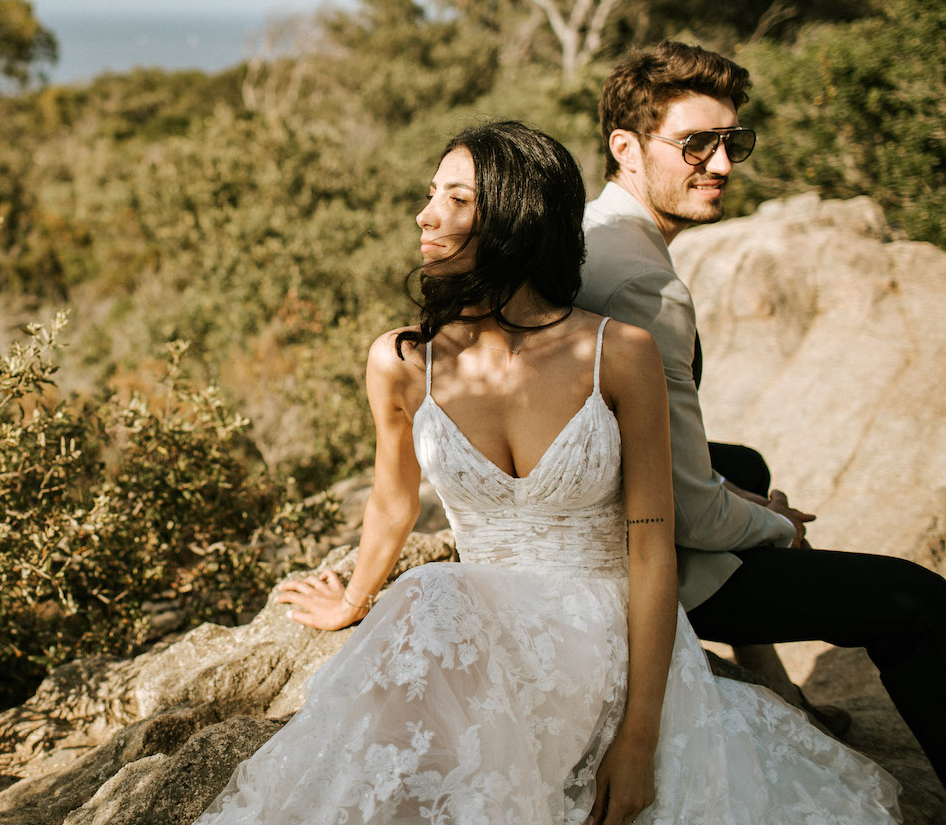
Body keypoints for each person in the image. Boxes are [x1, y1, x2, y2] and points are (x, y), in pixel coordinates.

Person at [195, 120, 900, 825]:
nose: (425, 213)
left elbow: (651, 552)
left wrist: (638, 740)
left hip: (605, 638)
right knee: (425, 616)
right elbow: (391, 501)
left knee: (433, 598)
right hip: (485, 630)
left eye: (456, 199)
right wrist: (352, 601)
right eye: (430, 193)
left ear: (516, 217)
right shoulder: (404, 360)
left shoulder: (619, 352)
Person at [580, 40, 946, 787]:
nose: (719, 165)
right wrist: (779, 523)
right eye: (695, 145)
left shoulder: (593, 234)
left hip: (600, 507)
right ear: (626, 147)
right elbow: (688, 517)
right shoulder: (646, 288)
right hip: (636, 563)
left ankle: (778, 692)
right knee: (918, 601)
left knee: (741, 465)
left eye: (731, 142)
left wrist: (740, 493)